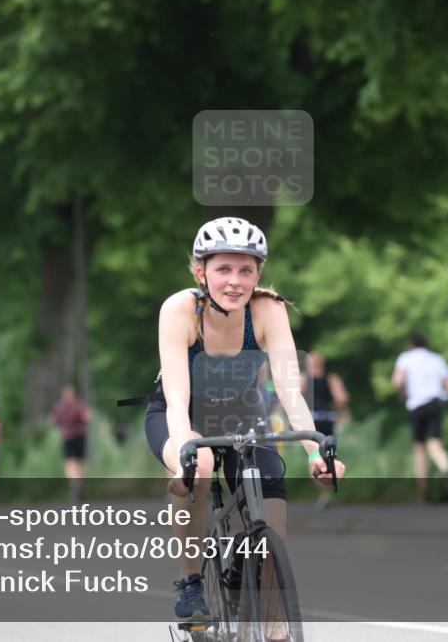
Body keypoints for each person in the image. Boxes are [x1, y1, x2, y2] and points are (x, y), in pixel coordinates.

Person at [143, 217, 346, 624]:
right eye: (223, 269)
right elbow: (178, 397)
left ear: (258, 273)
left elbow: (290, 391)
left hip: (242, 416)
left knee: (274, 520)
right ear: (201, 272)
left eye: (245, 270)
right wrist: (185, 455)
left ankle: (272, 623)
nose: (234, 281)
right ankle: (190, 583)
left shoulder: (268, 310)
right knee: (198, 466)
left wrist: (314, 451)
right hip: (180, 413)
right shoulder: (180, 309)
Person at [391, 332, 448, 500]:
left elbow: (397, 381)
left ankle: (423, 491)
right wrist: (443, 396)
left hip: (417, 405)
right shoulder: (437, 359)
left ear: (411, 345)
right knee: (435, 444)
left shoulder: (406, 358)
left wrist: (403, 393)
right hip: (435, 404)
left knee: (419, 448)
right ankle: (446, 469)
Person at [301, 352, 350, 508]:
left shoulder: (304, 380)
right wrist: (341, 414)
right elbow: (341, 398)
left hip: (311, 423)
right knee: (328, 456)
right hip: (328, 421)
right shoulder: (331, 379)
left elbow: (295, 398)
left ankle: (324, 492)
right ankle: (327, 488)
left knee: (313, 457)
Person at [51, 384, 93, 503]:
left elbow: (53, 420)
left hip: (68, 437)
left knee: (70, 462)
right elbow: (88, 416)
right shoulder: (79, 403)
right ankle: (78, 483)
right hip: (80, 435)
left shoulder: (60, 406)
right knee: (78, 463)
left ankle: (74, 483)